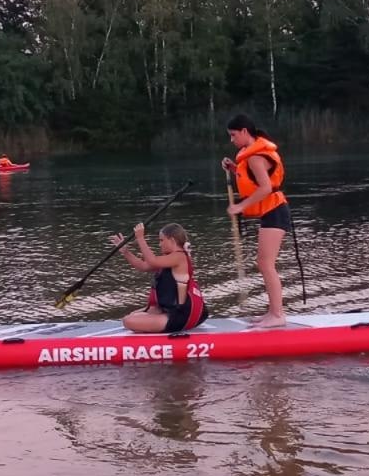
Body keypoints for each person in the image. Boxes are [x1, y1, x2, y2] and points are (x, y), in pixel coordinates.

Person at [222, 113, 291, 328]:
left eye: (233, 135)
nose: (232, 140)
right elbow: (253, 179)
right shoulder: (250, 157)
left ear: (244, 132)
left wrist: (240, 206)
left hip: (276, 211)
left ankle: (278, 315)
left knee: (265, 263)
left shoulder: (255, 157)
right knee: (264, 263)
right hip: (271, 212)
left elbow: (266, 188)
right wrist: (234, 169)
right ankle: (273, 312)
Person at [108, 222, 209, 333]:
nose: (160, 244)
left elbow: (152, 260)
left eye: (161, 240)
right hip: (172, 310)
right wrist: (125, 251)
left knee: (128, 321)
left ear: (172, 240)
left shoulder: (179, 257)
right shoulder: (169, 258)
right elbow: (143, 266)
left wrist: (140, 238)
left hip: (181, 315)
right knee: (133, 315)